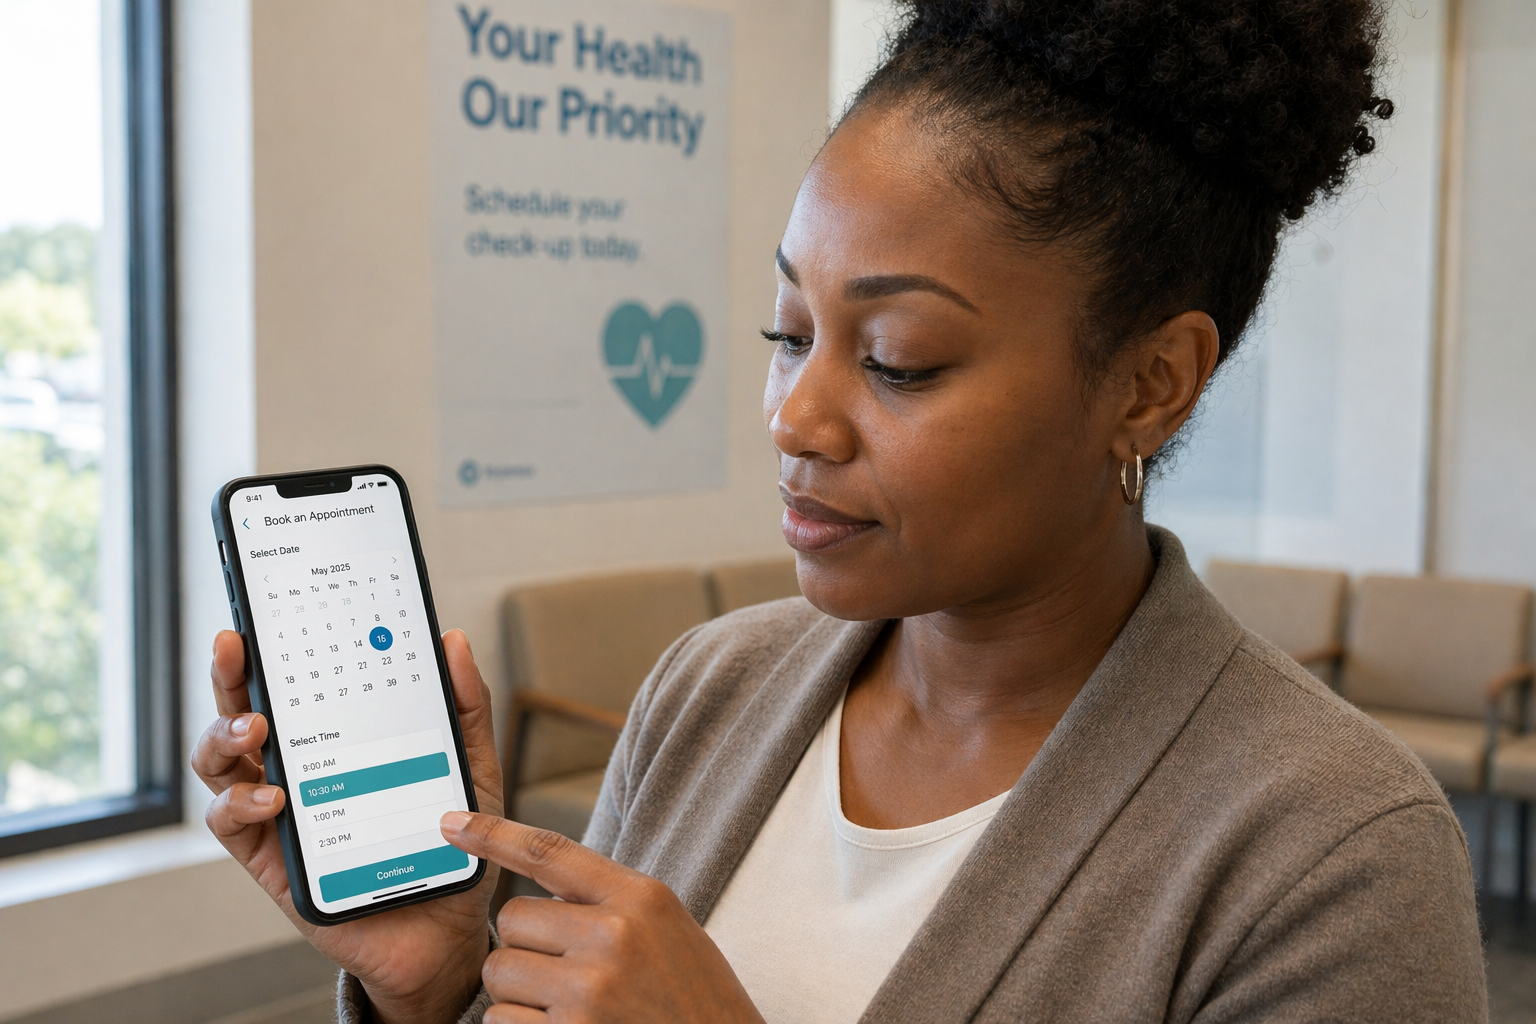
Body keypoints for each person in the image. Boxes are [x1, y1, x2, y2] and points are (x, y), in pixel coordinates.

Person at [193, 1, 1487, 1021]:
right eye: (788, 329)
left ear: (1151, 383)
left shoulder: (1332, 856)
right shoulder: (713, 688)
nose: (793, 420)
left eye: (900, 359)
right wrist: (437, 990)